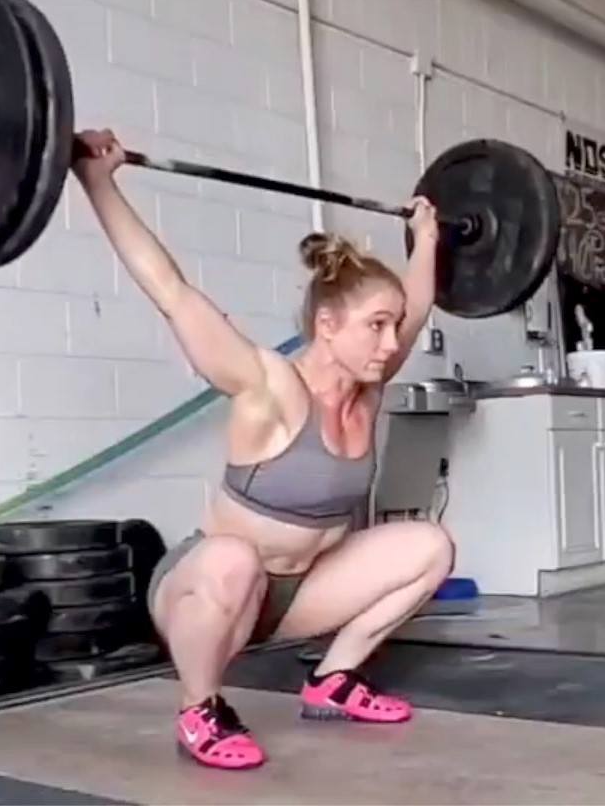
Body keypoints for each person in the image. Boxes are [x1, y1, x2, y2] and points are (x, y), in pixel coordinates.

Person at [72, 128, 455, 771]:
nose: (393, 343)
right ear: (327, 326)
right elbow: (171, 291)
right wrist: (96, 182)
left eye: (392, 327)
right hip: (209, 586)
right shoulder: (267, 385)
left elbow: (418, 303)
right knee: (234, 559)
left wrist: (428, 237)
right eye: (376, 326)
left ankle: (333, 680)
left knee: (430, 546)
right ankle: (200, 708)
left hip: (301, 592)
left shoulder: (368, 384)